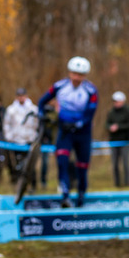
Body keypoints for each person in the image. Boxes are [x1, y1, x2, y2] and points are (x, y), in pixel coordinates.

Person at [37, 57, 98, 207]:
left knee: (82, 166)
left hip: (83, 133)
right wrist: (42, 114)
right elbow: (41, 101)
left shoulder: (91, 90)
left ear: (85, 76)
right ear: (70, 73)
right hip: (65, 132)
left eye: (80, 75)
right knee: (62, 162)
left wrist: (78, 124)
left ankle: (81, 195)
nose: (77, 78)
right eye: (74, 74)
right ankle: (65, 195)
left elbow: (90, 114)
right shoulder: (59, 86)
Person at [3, 87, 38, 187]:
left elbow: (37, 124)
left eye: (22, 95)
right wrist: (9, 137)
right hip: (16, 141)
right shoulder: (11, 110)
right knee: (17, 164)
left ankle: (32, 185)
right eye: (19, 96)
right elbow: (6, 124)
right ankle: (18, 184)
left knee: (31, 164)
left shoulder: (33, 109)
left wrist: (33, 136)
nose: (21, 98)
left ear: (26, 96)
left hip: (29, 141)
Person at [105, 91, 129, 188]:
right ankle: (117, 183)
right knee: (115, 164)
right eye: (115, 101)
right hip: (114, 141)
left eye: (118, 101)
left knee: (126, 163)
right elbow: (106, 124)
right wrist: (110, 127)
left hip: (125, 141)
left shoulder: (128, 111)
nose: (116, 103)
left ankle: (127, 182)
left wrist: (118, 127)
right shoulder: (111, 112)